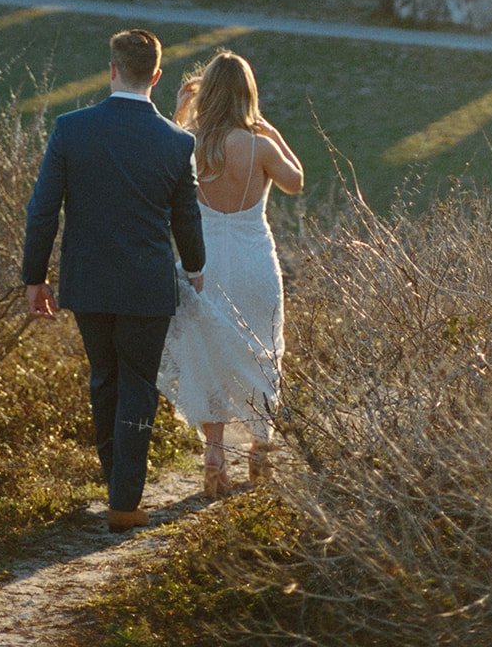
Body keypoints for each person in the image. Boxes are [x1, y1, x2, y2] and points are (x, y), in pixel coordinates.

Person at [22, 27, 205, 532]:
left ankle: (117, 488)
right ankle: (124, 499)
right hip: (147, 286)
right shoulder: (177, 141)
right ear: (157, 76)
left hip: (88, 281)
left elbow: (43, 211)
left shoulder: (70, 129)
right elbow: (185, 218)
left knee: (104, 379)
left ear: (111, 70)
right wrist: (196, 268)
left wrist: (35, 277)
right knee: (139, 385)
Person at [158, 51, 304, 496]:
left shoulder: (187, 142)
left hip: (203, 263)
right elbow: (295, 180)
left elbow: (160, 161)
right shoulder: (259, 144)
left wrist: (180, 113)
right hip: (253, 260)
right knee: (262, 351)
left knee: (208, 355)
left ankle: (215, 456)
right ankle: (260, 449)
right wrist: (272, 131)